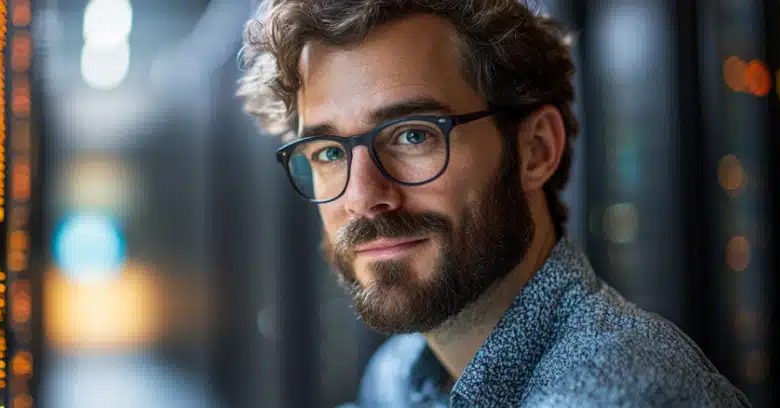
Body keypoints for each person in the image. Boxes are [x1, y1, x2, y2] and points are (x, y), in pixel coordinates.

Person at [236, 1, 751, 407]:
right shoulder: (400, 376)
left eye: (413, 136)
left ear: (536, 150)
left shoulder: (617, 395)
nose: (364, 197)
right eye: (328, 152)